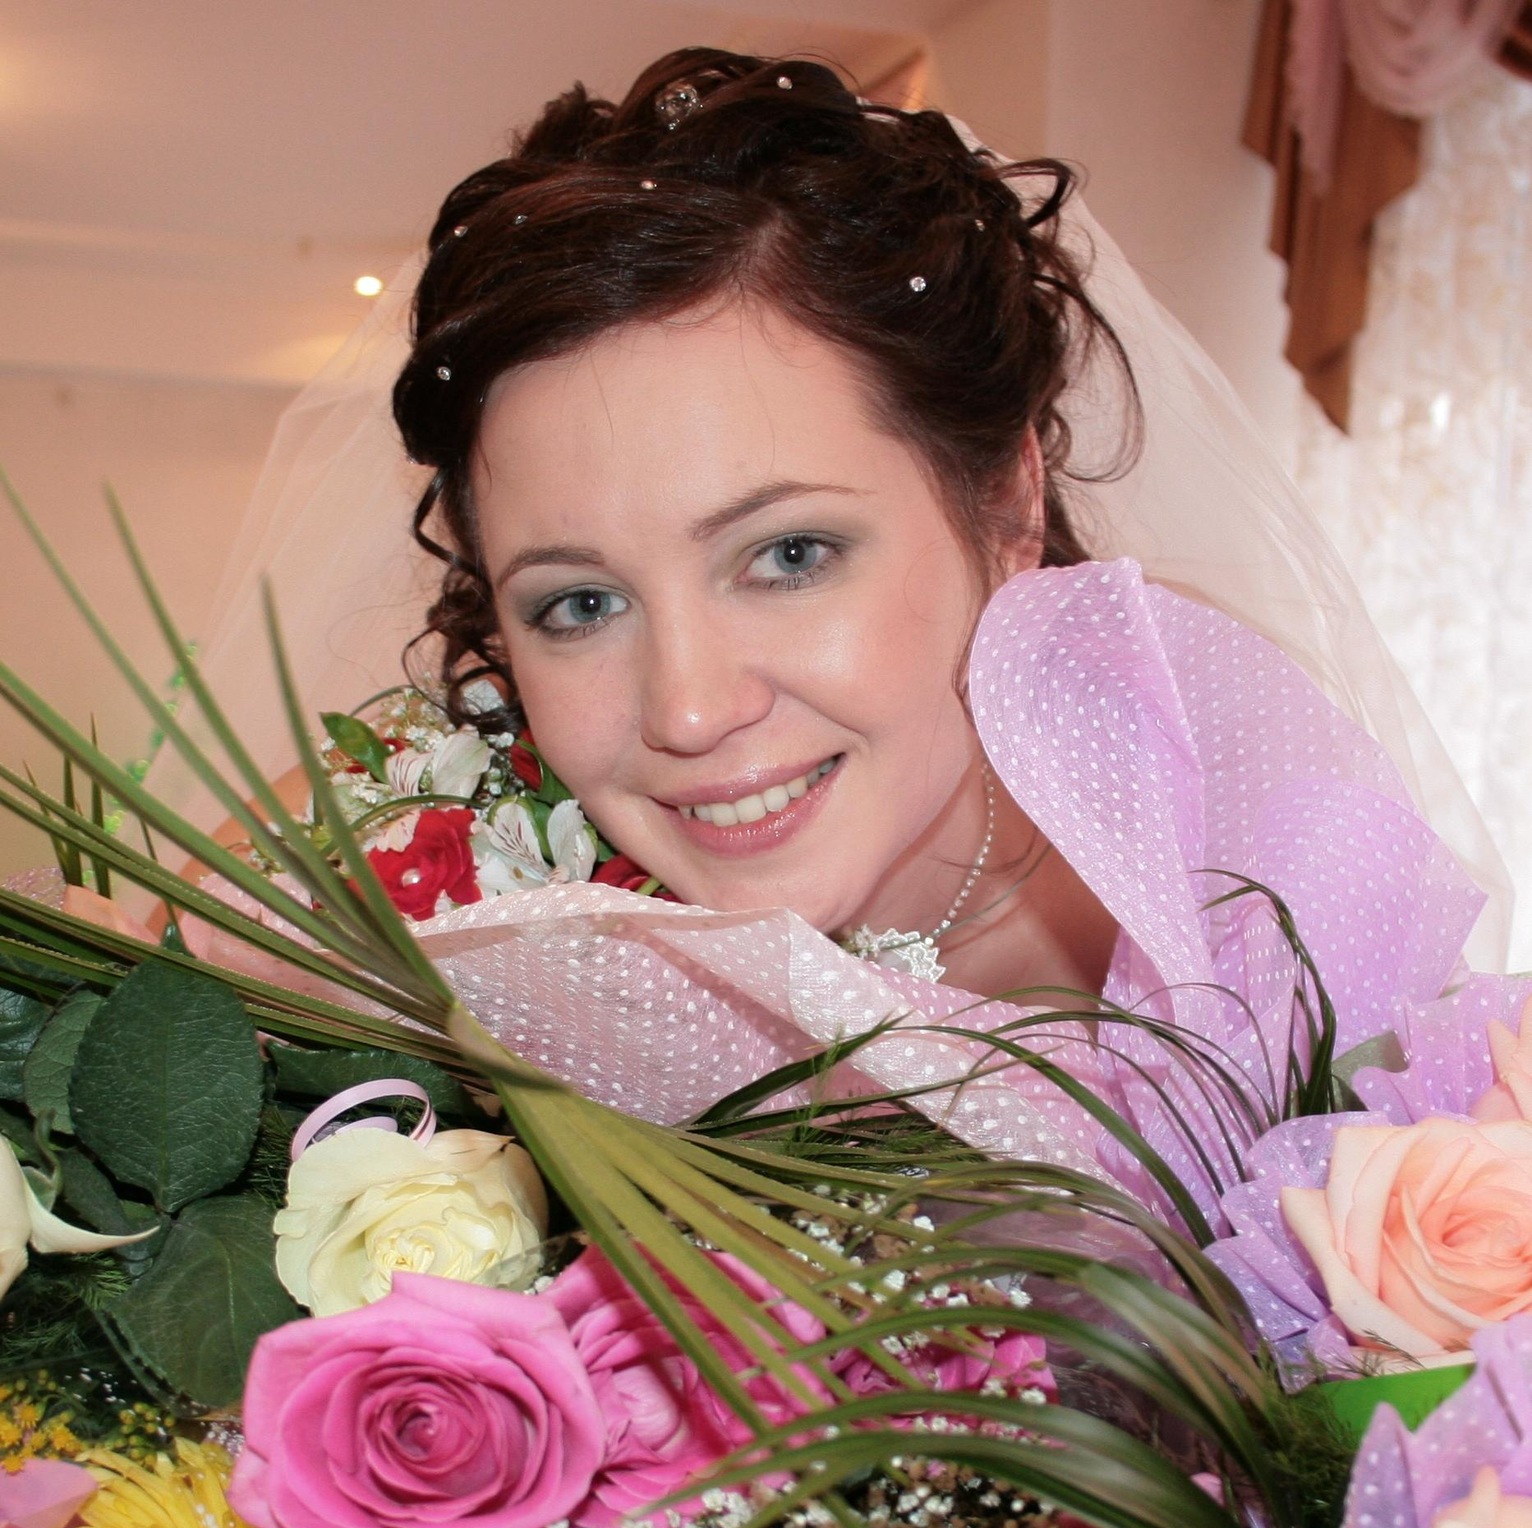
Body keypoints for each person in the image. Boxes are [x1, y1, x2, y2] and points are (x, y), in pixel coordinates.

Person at [179, 48, 1507, 1189]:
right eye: (580, 603)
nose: (689, 709)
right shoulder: (420, 873)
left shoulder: (1238, 842)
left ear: (1009, 502)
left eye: (789, 554)